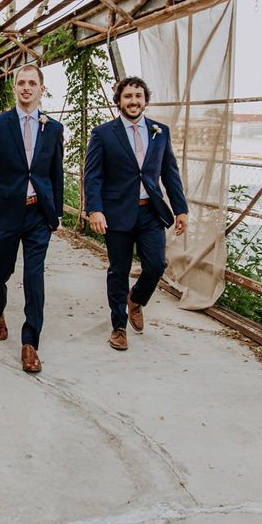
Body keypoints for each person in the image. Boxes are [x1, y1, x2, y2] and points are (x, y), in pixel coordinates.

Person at [83, 76, 188, 351]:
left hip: (150, 212)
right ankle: (119, 325)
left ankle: (136, 299)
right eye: (128, 96)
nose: (133, 101)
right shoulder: (103, 133)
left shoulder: (159, 131)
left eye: (138, 96)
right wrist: (94, 209)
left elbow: (170, 173)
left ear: (145, 100)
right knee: (119, 269)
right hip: (116, 213)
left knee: (156, 265)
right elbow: (92, 176)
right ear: (118, 101)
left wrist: (181, 209)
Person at [0, 64, 64, 373]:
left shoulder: (52, 128)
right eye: (21, 83)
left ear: (41, 88)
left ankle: (30, 343)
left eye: (32, 83)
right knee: (1, 271)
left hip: (39, 212)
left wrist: (58, 214)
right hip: (5, 212)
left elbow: (56, 173)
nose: (26, 87)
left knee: (34, 277)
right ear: (14, 88)